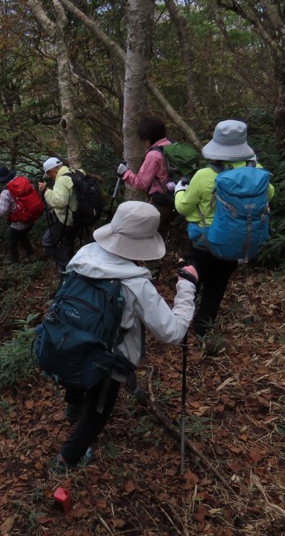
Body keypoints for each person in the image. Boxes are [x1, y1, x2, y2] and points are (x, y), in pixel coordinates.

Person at [52, 201, 198, 471]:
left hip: (69, 338)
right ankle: (65, 460)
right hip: (107, 358)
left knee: (77, 372)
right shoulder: (135, 284)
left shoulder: (84, 254)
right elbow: (173, 332)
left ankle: (72, 408)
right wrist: (187, 288)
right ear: (143, 245)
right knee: (98, 413)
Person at [174, 119, 275, 337]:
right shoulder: (256, 171)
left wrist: (179, 190)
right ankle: (203, 328)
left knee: (192, 281)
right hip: (236, 241)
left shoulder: (204, 175)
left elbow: (183, 207)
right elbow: (270, 194)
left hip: (203, 242)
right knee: (217, 286)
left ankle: (182, 321)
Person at [116, 116, 174, 237]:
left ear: (149, 138)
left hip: (161, 200)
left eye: (144, 139)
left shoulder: (153, 155)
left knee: (145, 234)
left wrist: (125, 173)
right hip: (175, 196)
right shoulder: (171, 145)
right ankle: (160, 254)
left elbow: (142, 183)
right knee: (161, 233)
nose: (143, 142)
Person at [0, 166, 40, 263]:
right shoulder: (23, 181)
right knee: (23, 235)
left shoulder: (6, 192)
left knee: (12, 242)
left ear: (0, 181)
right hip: (31, 217)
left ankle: (15, 264)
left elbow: (1, 212)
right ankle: (31, 255)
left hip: (20, 222)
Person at [38, 157, 78, 274]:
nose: (50, 177)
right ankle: (69, 266)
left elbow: (59, 202)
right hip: (79, 216)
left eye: (49, 174)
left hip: (67, 218)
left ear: (52, 171)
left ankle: (69, 267)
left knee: (47, 242)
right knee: (68, 241)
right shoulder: (74, 172)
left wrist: (46, 190)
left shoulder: (61, 180)